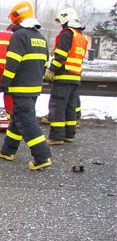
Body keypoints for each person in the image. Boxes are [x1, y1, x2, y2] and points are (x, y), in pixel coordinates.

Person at [0, 1, 52, 170]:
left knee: (26, 121)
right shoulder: (40, 38)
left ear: (16, 19)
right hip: (34, 87)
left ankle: (42, 156)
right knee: (18, 118)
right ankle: (8, 150)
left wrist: (4, 83)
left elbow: (12, 62)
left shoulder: (20, 36)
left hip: (21, 87)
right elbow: (44, 63)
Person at [43, 8, 88, 145]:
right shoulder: (81, 36)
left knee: (58, 106)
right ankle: (69, 134)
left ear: (65, 20)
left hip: (63, 76)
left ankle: (56, 137)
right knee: (70, 107)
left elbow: (61, 55)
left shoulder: (67, 34)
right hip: (75, 77)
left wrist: (51, 70)